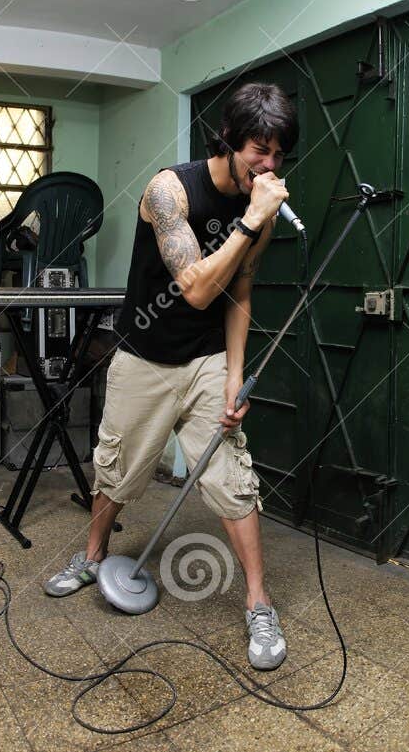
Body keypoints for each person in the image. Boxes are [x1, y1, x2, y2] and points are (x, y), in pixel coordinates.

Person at [43, 82, 295, 670]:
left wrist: (236, 375)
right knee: (117, 466)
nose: (270, 165)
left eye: (280, 155)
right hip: (145, 355)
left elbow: (240, 292)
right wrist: (251, 220)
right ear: (229, 140)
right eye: (260, 150)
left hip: (207, 359)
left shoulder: (262, 209)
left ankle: (259, 603)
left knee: (233, 476)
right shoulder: (168, 190)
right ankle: (92, 555)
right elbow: (201, 288)